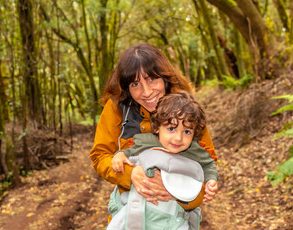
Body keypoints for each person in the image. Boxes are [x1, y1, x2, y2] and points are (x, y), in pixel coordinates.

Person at [89, 43, 218, 221]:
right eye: (136, 84)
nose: (147, 92)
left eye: (152, 79)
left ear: (165, 78)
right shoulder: (117, 108)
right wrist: (131, 174)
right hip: (131, 215)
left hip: (176, 216)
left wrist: (183, 195)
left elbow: (207, 160)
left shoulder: (186, 110)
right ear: (127, 88)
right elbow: (100, 155)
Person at [107, 92, 218, 229]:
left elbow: (208, 164)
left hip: (173, 219)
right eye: (171, 129)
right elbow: (128, 152)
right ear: (157, 127)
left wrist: (211, 180)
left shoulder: (195, 150)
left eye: (187, 132)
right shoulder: (146, 141)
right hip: (138, 210)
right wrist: (119, 155)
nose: (178, 138)